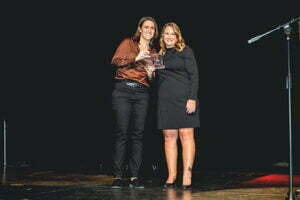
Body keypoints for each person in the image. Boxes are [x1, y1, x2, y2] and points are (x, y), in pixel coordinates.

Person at [110, 16, 159, 189]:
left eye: (152, 28)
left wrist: (152, 72)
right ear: (140, 29)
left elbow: (154, 81)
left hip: (142, 93)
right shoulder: (127, 43)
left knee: (138, 135)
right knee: (122, 133)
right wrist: (136, 57)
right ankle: (117, 176)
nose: (149, 30)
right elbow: (115, 61)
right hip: (123, 89)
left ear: (154, 32)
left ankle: (134, 176)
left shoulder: (154, 52)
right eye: (146, 27)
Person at [156, 22, 200, 190]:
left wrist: (192, 98)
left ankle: (187, 174)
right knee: (169, 137)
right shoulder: (158, 55)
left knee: (186, 135)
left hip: (184, 99)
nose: (168, 36)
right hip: (165, 101)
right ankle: (172, 175)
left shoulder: (186, 51)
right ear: (162, 37)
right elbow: (154, 79)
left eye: (172, 34)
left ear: (177, 37)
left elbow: (194, 76)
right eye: (166, 33)